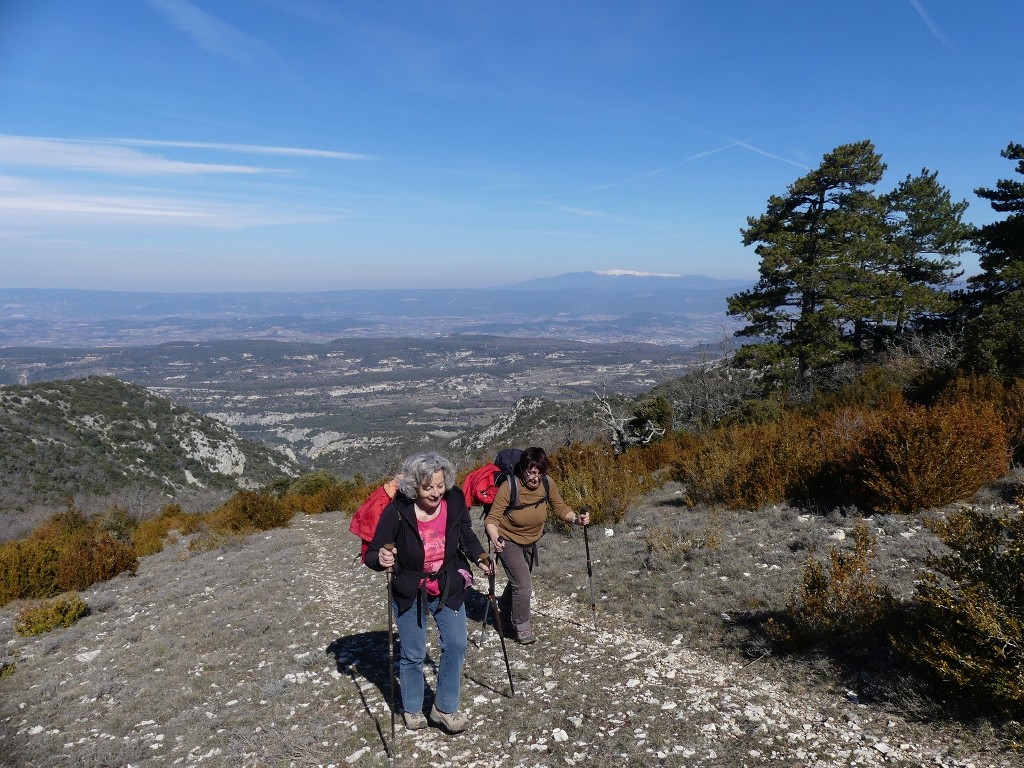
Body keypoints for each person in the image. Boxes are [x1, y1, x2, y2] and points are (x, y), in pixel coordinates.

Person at [365, 451, 493, 734]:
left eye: (440, 485)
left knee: (457, 644)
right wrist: (381, 560)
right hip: (411, 588)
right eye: (428, 488)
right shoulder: (396, 512)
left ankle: (444, 708)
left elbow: (465, 535)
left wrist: (480, 557)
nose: (436, 493)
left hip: (448, 583)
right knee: (413, 652)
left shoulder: (455, 499)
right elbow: (373, 553)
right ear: (414, 487)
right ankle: (412, 709)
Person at [484, 447, 589, 644]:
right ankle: (521, 625)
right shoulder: (510, 487)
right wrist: (495, 538)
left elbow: (560, 508)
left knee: (519, 581)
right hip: (509, 540)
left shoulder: (547, 483)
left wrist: (576, 519)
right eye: (531, 472)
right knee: (523, 584)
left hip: (531, 541)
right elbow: (492, 519)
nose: (536, 477)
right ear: (522, 469)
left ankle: (505, 610)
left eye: (540, 472)